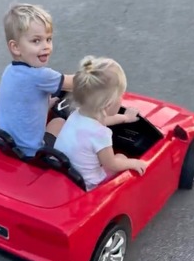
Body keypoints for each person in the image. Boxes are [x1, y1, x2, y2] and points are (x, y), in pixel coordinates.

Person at [54, 56, 148, 191]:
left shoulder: (77, 114)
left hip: (67, 176)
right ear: (108, 104)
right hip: (89, 185)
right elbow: (111, 164)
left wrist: (125, 118)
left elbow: (100, 120)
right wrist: (133, 162)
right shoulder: (101, 134)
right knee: (121, 157)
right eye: (120, 96)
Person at [0, 3, 74, 157]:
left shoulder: (9, 71)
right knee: (60, 122)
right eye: (36, 41)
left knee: (53, 104)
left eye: (48, 39)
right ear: (16, 47)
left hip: (8, 145)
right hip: (33, 152)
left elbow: (25, 103)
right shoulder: (41, 76)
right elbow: (77, 83)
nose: (46, 46)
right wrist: (97, 72)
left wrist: (50, 101)